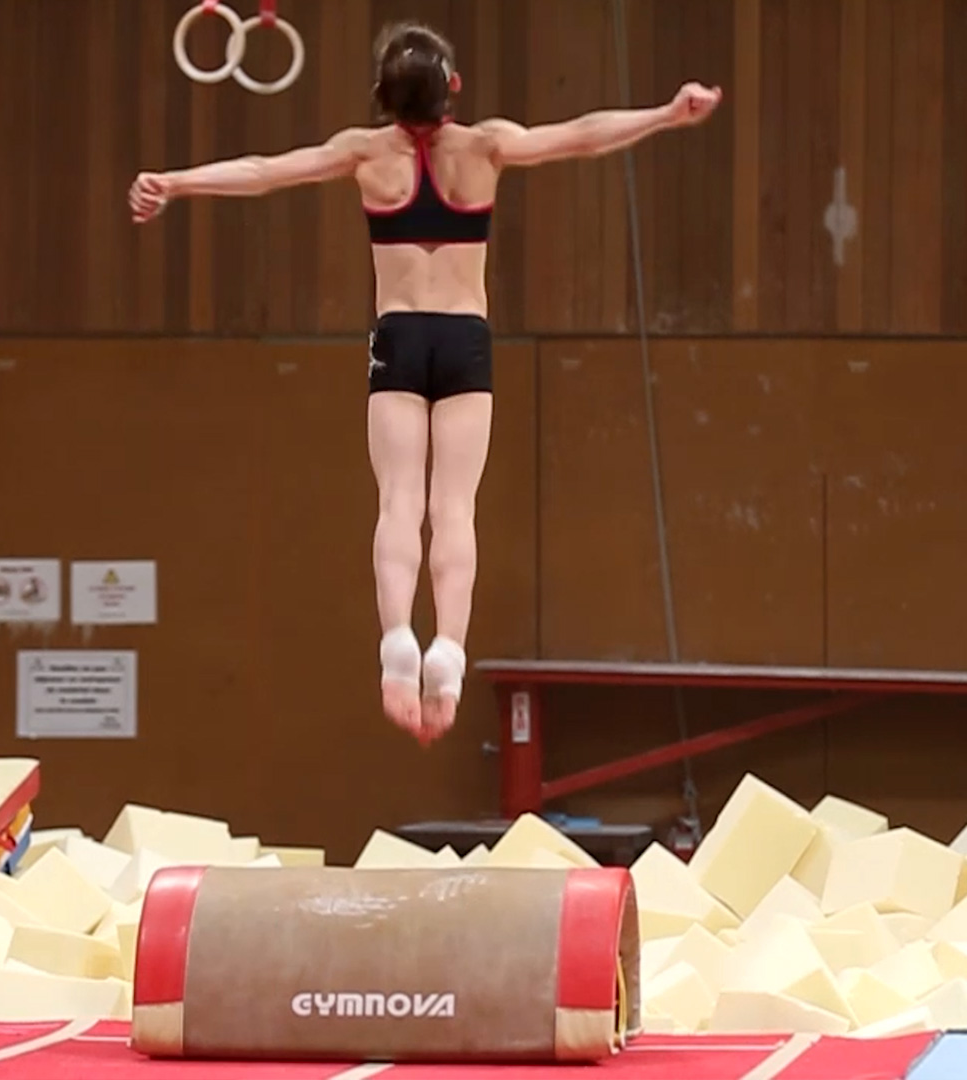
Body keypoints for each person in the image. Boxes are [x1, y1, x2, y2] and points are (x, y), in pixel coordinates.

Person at [129, 21, 722, 746]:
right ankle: (448, 650)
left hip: (400, 338)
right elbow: (583, 134)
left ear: (382, 98)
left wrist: (176, 183)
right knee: (455, 507)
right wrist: (666, 113)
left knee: (399, 502)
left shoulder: (364, 154)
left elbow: (262, 171)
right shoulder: (487, 147)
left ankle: (396, 644)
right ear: (454, 91)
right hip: (464, 340)